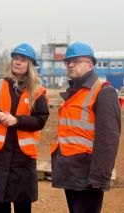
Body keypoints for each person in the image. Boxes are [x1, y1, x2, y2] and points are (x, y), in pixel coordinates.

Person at [51, 41, 121, 213]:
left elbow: (108, 139)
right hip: (72, 172)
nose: (70, 65)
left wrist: (100, 176)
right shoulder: (76, 93)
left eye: (76, 61)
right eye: (68, 62)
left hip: (88, 177)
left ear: (90, 64)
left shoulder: (103, 92)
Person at [0, 43, 49, 213]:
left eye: (23, 60)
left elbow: (40, 120)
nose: (17, 62)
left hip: (22, 158)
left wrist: (17, 121)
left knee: (22, 204)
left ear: (30, 65)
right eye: (15, 59)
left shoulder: (37, 91)